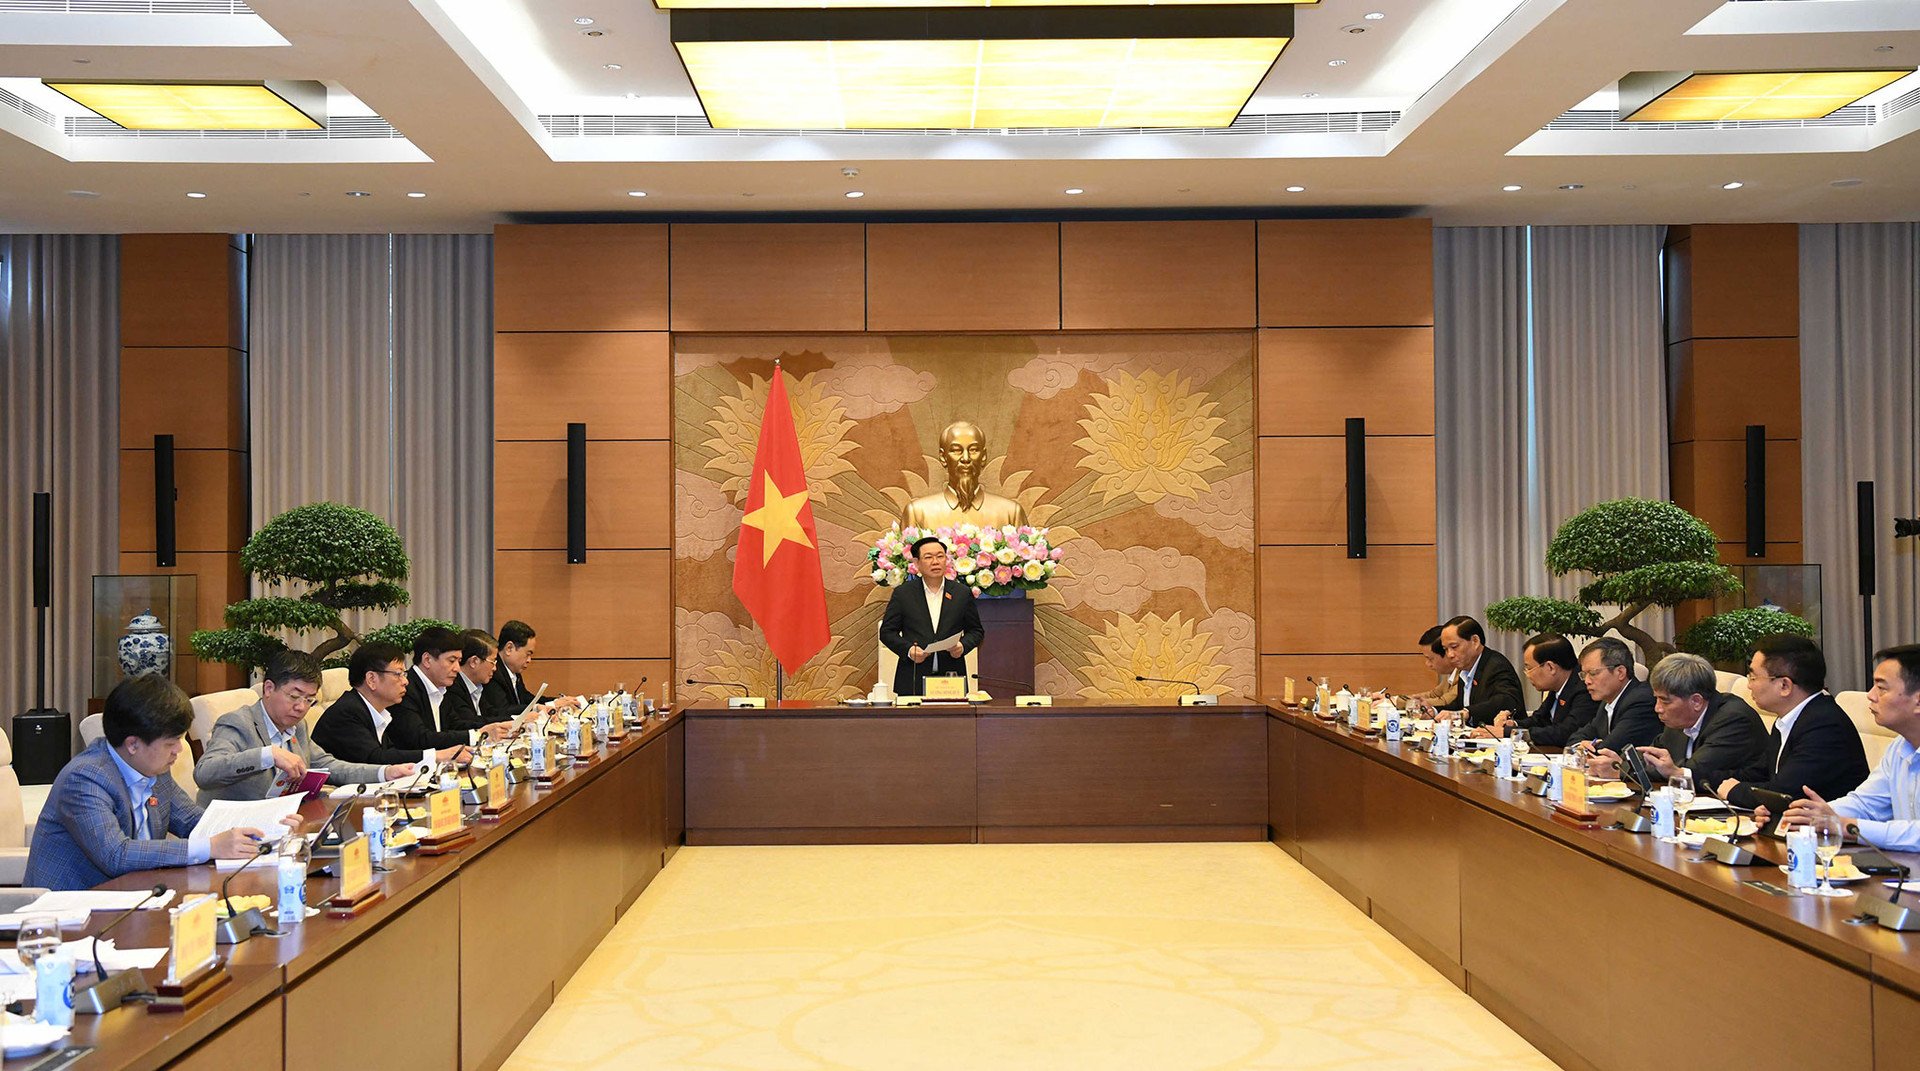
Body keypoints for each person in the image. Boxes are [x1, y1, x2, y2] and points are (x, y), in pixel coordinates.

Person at [24, 674, 288, 891]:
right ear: (133, 744)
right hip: (69, 916)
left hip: (138, 897)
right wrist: (211, 846)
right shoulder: (85, 779)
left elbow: (196, 822)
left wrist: (266, 826)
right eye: (171, 743)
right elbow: (116, 855)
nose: (179, 751)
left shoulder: (155, 769)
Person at [194, 649, 417, 803]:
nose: (301, 707)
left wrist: (385, 772)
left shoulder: (298, 728)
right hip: (236, 832)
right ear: (269, 688)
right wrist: (267, 755)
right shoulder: (238, 723)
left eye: (309, 700)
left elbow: (330, 766)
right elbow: (205, 773)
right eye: (294, 696)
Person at [1769, 645, 1920, 851]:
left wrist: (1845, 825)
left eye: (1882, 688)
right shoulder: (1899, 748)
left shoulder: (1824, 721)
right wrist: (1807, 815)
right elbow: (1865, 804)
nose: (1871, 695)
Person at [1717, 636, 1868, 809]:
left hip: (1829, 832)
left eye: (1753, 677)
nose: (1749, 685)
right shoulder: (1788, 719)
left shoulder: (1825, 726)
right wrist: (1702, 778)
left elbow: (1785, 794)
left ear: (1784, 686)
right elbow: (1759, 772)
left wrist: (1734, 791)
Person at [1588, 652, 1769, 790]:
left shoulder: (1733, 719)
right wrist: (1619, 763)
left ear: (1696, 701)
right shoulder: (1679, 719)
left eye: (1665, 700)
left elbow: (1690, 771)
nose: (1657, 708)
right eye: (1656, 699)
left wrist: (1622, 770)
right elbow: (1653, 759)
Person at [313, 641, 473, 768]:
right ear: (371, 679)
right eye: (398, 674)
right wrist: (437, 755)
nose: (405, 681)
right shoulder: (347, 712)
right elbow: (375, 758)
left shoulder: (376, 711)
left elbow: (390, 753)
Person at [879, 536, 985, 697]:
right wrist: (908, 650)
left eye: (940, 556)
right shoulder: (903, 594)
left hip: (951, 678)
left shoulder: (961, 593)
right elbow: (887, 632)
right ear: (916, 563)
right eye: (928, 557)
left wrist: (962, 646)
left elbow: (976, 631)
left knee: (954, 722)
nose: (935, 561)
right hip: (913, 679)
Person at [386, 626, 515, 750]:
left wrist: (494, 728)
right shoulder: (405, 689)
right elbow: (420, 739)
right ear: (427, 660)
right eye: (451, 660)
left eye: (458, 661)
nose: (457, 668)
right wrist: (477, 734)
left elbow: (456, 724)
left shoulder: (441, 688)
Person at [899, 420, 1028, 531]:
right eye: (956, 450)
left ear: (983, 457)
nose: (965, 458)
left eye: (973, 450)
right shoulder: (917, 513)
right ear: (943, 457)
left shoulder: (1011, 513)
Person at [1479, 633, 1595, 745]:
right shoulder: (1558, 685)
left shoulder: (1584, 688)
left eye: (1529, 668)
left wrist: (1509, 733)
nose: (1527, 674)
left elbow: (1565, 732)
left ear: (1550, 667)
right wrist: (1512, 724)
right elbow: (1539, 719)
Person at [1565, 637, 1661, 756]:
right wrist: (1579, 746)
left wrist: (1585, 749)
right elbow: (1577, 737)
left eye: (1593, 673)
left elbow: (1610, 748)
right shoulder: (1607, 701)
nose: (1587, 681)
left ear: (1620, 672)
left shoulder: (1641, 701)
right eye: (1584, 675)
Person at [1435, 616, 1524, 727]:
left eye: (1454, 647)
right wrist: (1433, 711)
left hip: (1502, 739)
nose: (1450, 655)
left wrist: (1468, 712)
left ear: (1475, 641)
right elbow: (1460, 706)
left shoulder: (1496, 665)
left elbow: (1506, 701)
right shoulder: (1465, 669)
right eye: (1446, 649)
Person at [438, 629, 500, 730]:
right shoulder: (452, 686)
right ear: (474, 661)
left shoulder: (477, 685)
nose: (494, 668)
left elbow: (491, 713)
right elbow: (469, 721)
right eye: (492, 661)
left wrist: (516, 719)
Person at [1413, 625, 1458, 707]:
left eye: (1430, 659)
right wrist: (1393, 699)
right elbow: (1433, 695)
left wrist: (1411, 703)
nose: (1427, 664)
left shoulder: (1464, 674)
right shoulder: (1451, 675)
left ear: (1446, 654)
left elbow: (1444, 701)